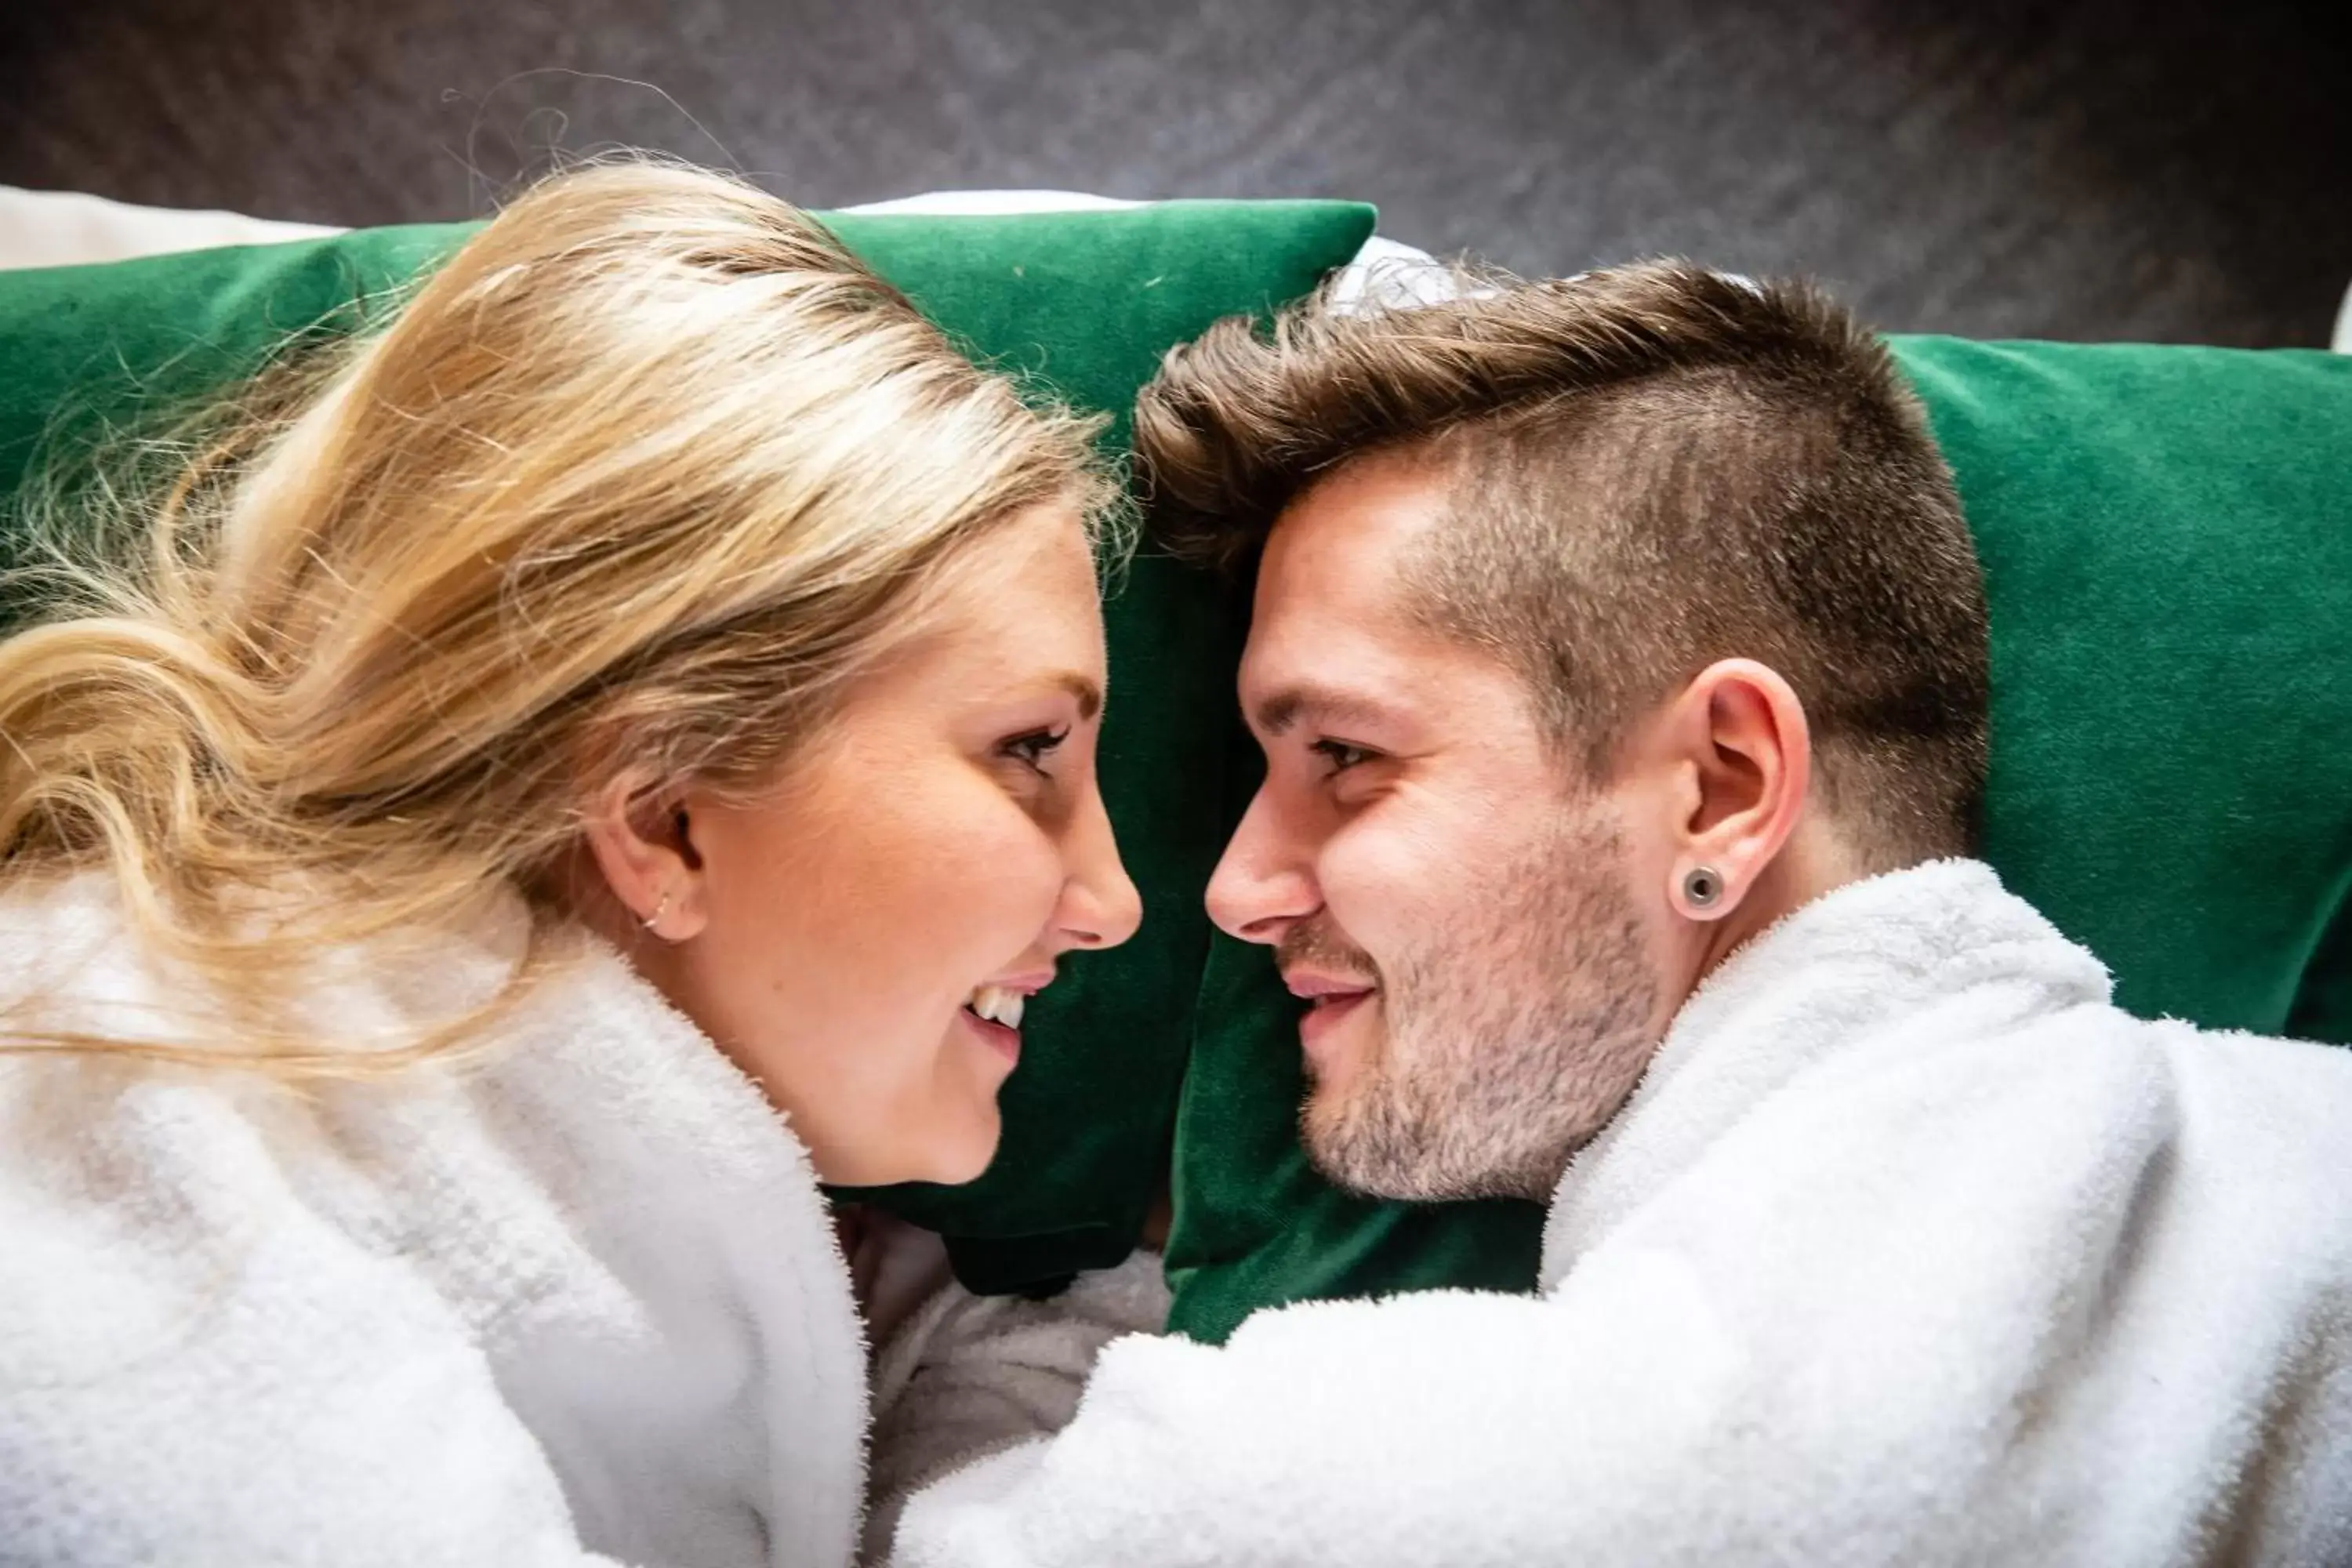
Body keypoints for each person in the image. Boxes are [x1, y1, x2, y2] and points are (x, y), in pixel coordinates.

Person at [888, 263, 2352, 1565]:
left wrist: (940, 1305)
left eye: (1346, 757)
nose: (1233, 889)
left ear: (1721, 787)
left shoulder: (1595, 1457)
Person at [0, 162, 1144, 1568]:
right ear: (660, 818)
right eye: (1029, 749)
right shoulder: (120, 1155)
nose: (1117, 903)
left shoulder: (680, 1192)